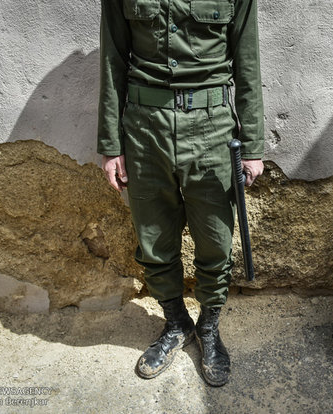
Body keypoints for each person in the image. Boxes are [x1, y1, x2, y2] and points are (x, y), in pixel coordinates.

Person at [97, 0, 264, 387]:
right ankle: (176, 324)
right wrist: (111, 143)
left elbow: (247, 62)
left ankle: (208, 326)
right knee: (153, 238)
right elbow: (112, 60)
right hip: (144, 129)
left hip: (212, 129)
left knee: (216, 240)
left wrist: (252, 145)